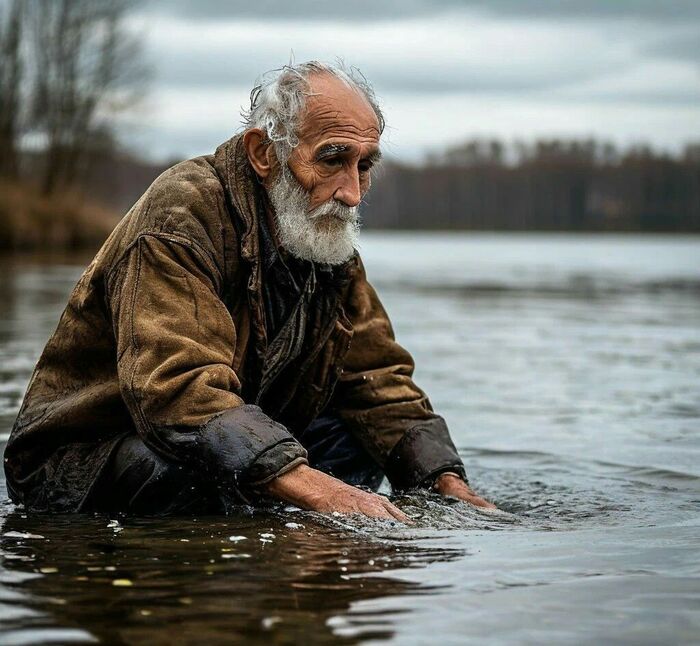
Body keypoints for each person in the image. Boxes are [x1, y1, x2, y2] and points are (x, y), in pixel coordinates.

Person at [4, 61, 495, 519]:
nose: (351, 192)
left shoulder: (325, 236)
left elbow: (378, 377)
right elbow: (178, 390)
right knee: (198, 471)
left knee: (356, 443)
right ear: (264, 153)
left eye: (364, 165)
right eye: (332, 159)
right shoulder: (183, 216)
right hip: (85, 455)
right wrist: (322, 491)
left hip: (216, 432)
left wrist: (447, 484)